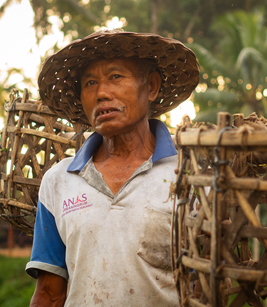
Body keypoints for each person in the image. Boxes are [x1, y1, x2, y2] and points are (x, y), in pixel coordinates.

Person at [25, 30, 200, 306]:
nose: (102, 93)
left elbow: (202, 285)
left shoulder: (189, 175)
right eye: (90, 83)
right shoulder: (59, 181)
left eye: (116, 77)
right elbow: (49, 293)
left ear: (151, 87)